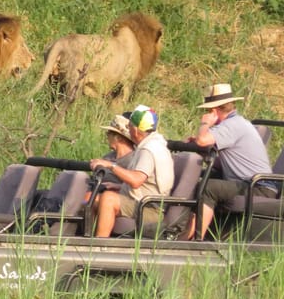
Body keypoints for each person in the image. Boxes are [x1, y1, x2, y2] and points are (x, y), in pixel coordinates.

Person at [185, 83, 277, 240]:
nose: (207, 113)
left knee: (208, 187)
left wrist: (205, 124)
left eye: (208, 110)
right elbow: (222, 162)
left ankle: (195, 240)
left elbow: (202, 140)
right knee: (205, 178)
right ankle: (188, 231)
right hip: (248, 183)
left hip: (259, 187)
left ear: (214, 110)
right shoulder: (236, 124)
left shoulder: (232, 125)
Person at [90, 105, 174, 237]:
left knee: (108, 199)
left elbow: (136, 181)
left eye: (129, 127)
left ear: (135, 130)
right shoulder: (148, 145)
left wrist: (110, 165)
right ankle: (86, 238)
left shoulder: (149, 150)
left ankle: (99, 246)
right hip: (142, 202)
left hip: (149, 209)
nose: (128, 130)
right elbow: (147, 184)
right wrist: (119, 186)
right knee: (92, 198)